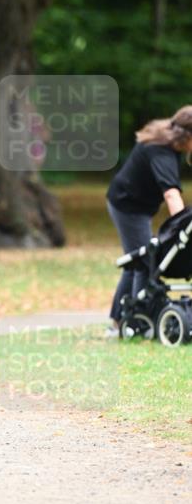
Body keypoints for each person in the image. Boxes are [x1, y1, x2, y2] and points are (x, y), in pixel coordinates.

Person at [106, 105, 192, 336]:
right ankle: (136, 321)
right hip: (127, 206)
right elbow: (171, 194)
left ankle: (117, 321)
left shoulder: (167, 136)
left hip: (137, 204)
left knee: (138, 261)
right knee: (146, 261)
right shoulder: (161, 152)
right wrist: (182, 228)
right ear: (187, 136)